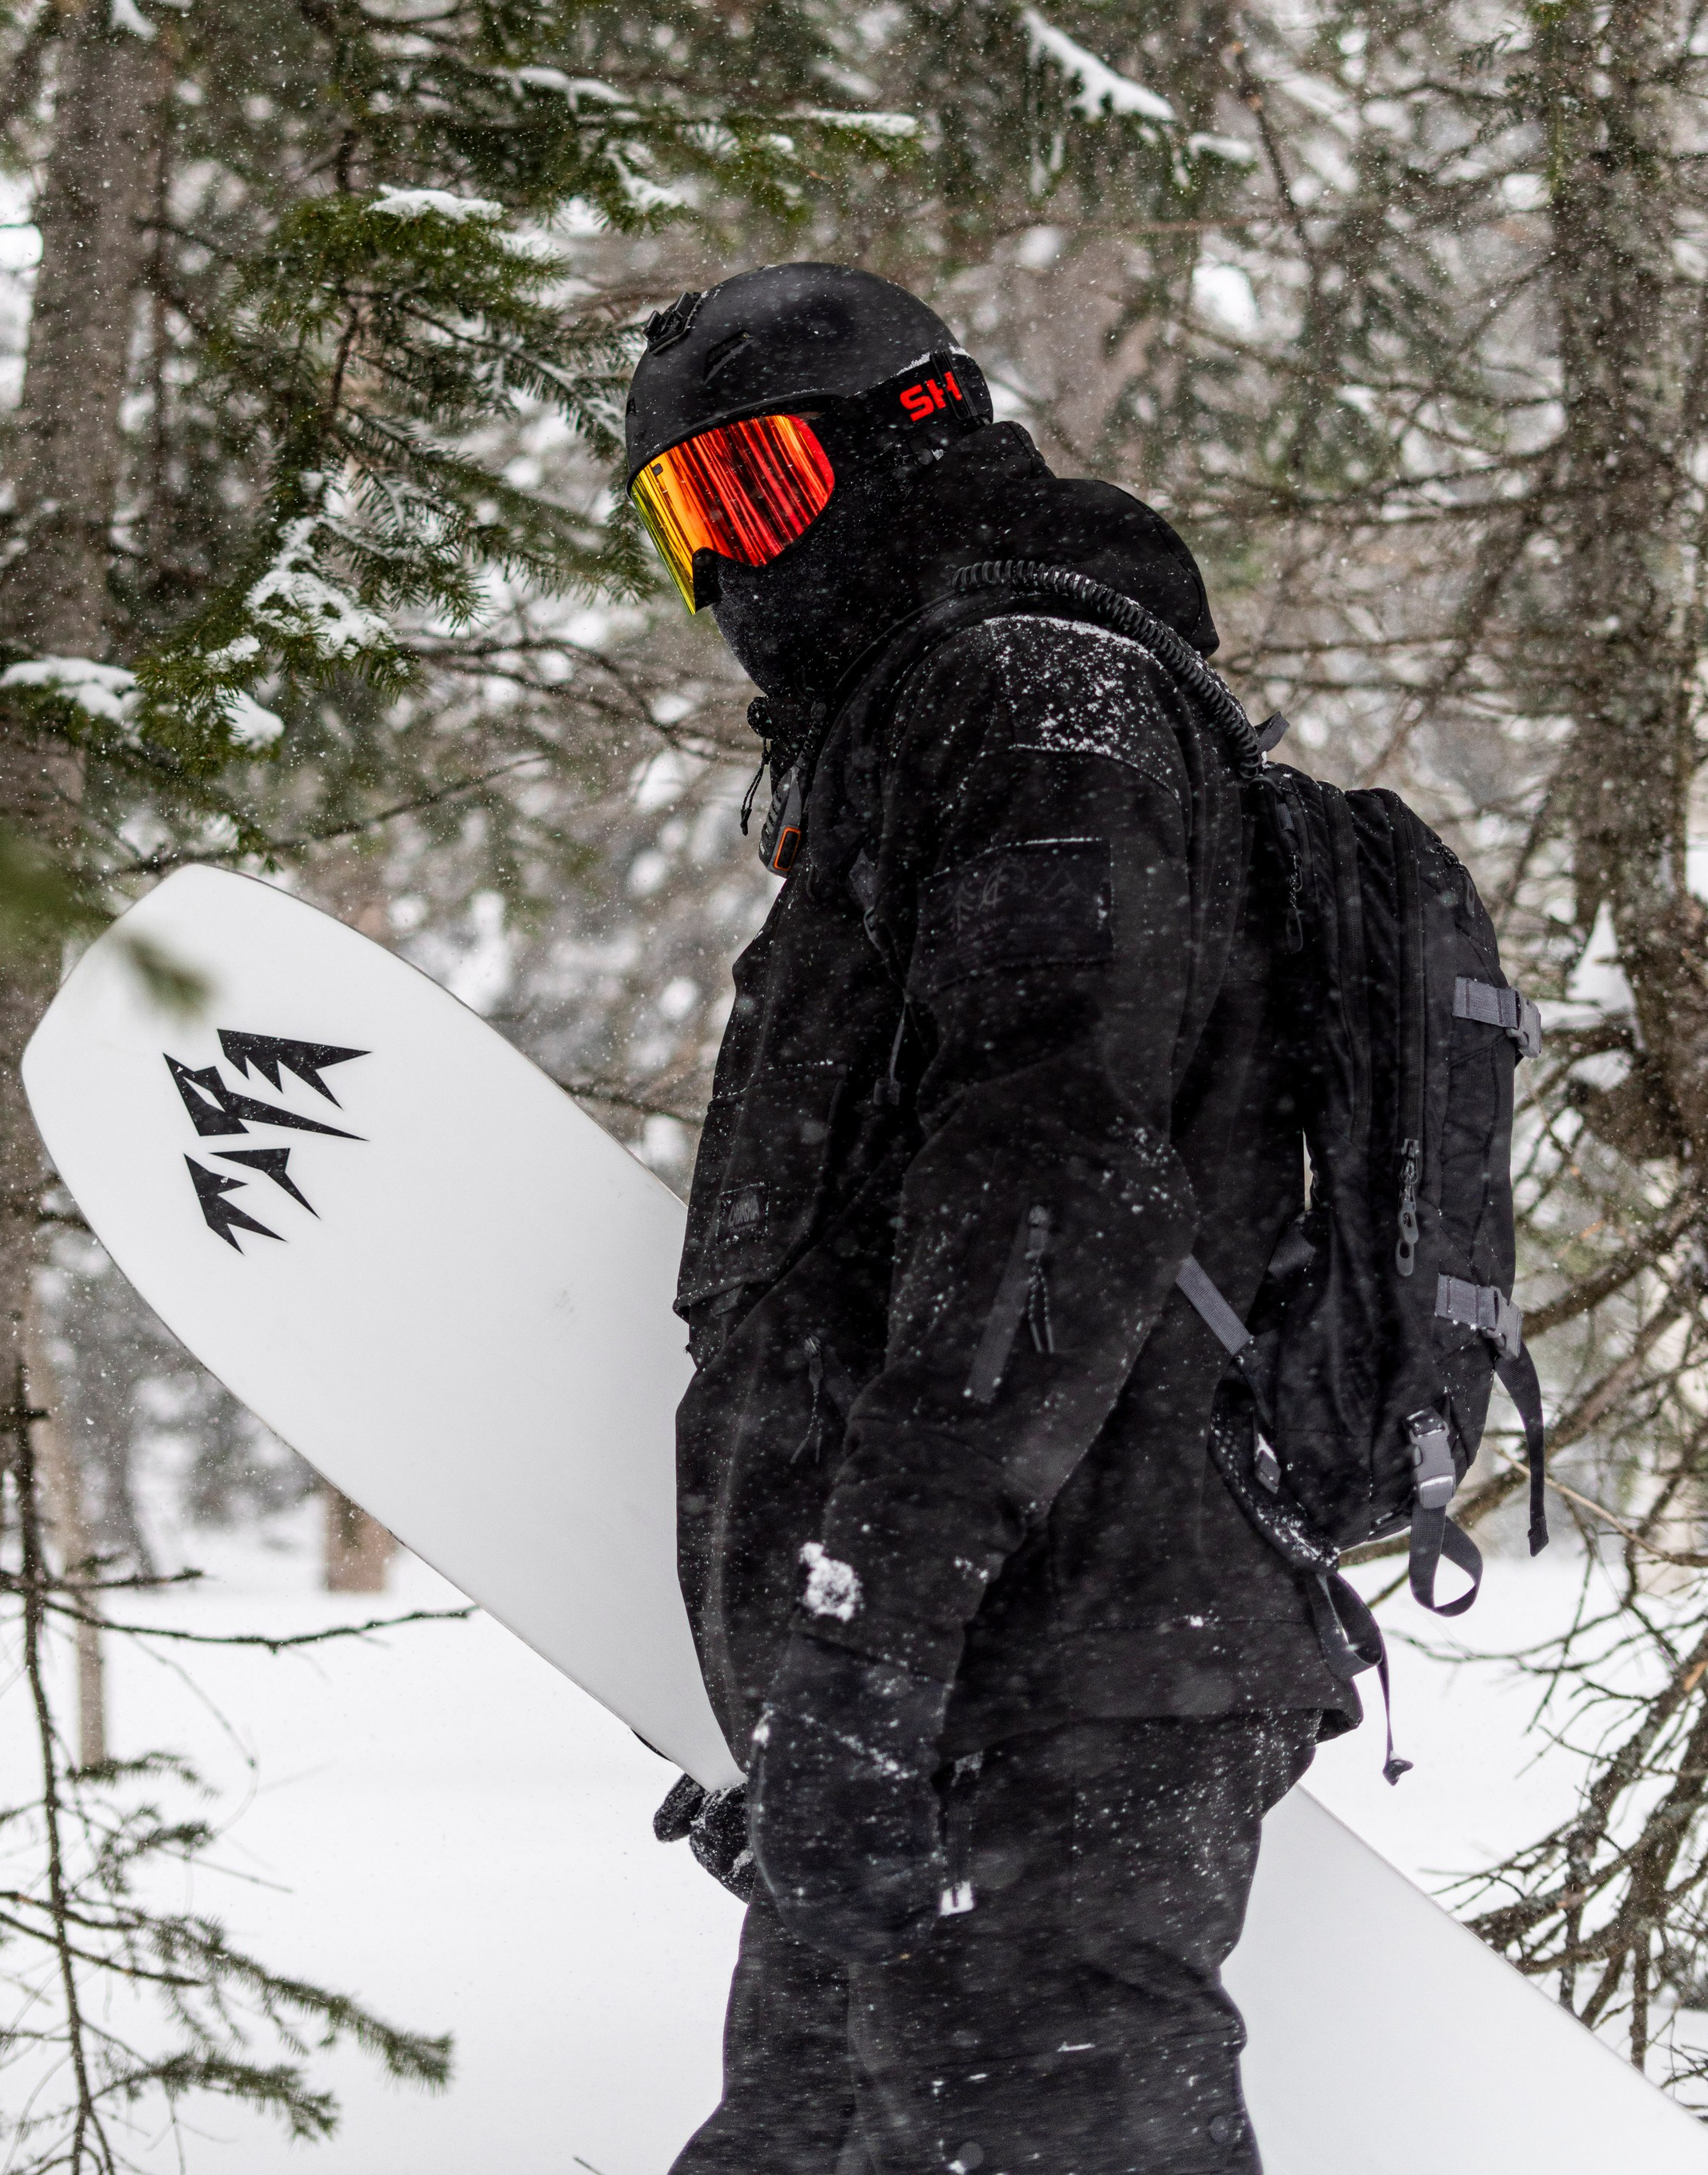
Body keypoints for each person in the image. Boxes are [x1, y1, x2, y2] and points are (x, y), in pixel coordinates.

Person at [623, 262, 1350, 2175]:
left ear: (917, 440)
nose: (730, 571)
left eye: (759, 494)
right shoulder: (917, 738)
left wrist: (869, 1654)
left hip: (1063, 1677)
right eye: (683, 521)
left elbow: (1054, 1185)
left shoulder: (1040, 708)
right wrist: (818, 1695)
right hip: (936, 1689)